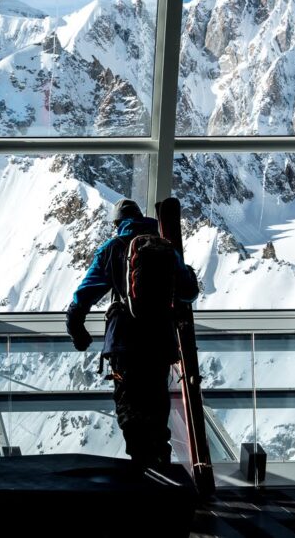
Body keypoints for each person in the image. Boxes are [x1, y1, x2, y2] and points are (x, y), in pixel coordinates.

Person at [65, 199, 198, 468]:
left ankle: (141, 469)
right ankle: (161, 465)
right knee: (157, 404)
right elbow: (188, 293)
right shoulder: (165, 248)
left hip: (124, 345)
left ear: (117, 224)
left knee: (130, 406)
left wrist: (77, 330)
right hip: (160, 343)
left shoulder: (112, 248)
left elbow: (83, 296)